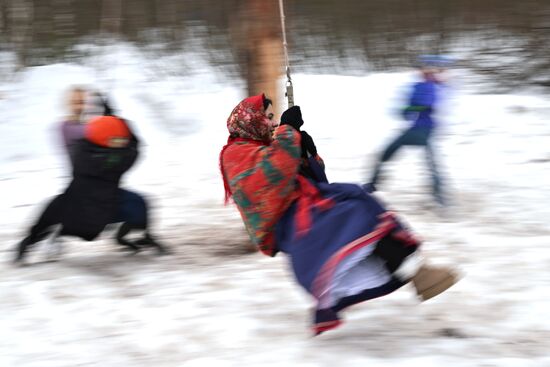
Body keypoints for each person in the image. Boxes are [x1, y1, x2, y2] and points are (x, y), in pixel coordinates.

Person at [219, 94, 459, 335]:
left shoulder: (265, 147)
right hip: (285, 224)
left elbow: (316, 180)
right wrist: (288, 130)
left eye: (273, 118)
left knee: (358, 201)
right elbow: (275, 173)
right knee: (356, 213)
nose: (272, 123)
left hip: (303, 209)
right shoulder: (235, 154)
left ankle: (416, 273)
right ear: (251, 120)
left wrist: (308, 154)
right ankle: (416, 275)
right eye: (268, 117)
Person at [14, 103, 166, 263]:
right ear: (102, 139)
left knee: (139, 203)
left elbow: (132, 146)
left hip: (106, 208)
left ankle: (136, 236)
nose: (122, 143)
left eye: (122, 140)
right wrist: (119, 120)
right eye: (117, 140)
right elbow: (133, 147)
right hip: (83, 213)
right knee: (52, 213)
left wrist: (115, 121)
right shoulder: (101, 158)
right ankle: (39, 240)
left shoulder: (89, 151)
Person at [367, 55, 450, 205]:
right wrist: (406, 110)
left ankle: (371, 186)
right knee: (428, 162)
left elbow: (427, 104)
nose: (424, 71)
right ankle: (439, 197)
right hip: (417, 129)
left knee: (390, 153)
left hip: (423, 129)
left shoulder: (432, 86)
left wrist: (410, 108)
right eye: (422, 69)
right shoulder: (419, 86)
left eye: (428, 69)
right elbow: (408, 110)